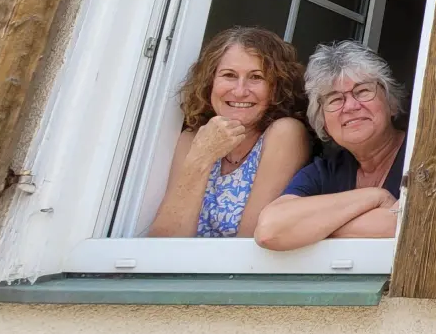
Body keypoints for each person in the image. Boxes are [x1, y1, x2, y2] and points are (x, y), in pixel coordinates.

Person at [147, 27, 310, 238]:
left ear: (276, 88)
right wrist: (202, 156)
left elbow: (251, 242)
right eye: (229, 75)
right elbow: (162, 243)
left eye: (256, 77)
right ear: (210, 82)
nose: (240, 91)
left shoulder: (285, 133)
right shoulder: (192, 139)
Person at [255, 40, 408, 251]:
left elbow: (403, 225)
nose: (351, 106)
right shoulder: (324, 172)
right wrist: (375, 197)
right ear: (323, 122)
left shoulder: (419, 157)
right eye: (335, 100)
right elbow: (269, 230)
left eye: (363, 91)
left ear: (391, 103)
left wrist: (315, 228)